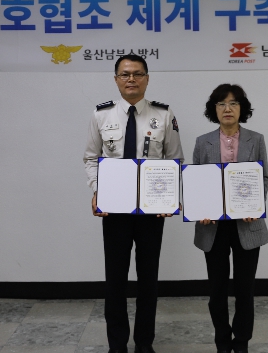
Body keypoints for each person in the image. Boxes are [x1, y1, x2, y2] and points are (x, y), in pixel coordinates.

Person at [83, 54, 184, 353]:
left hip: (152, 211)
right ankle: (117, 345)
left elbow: (175, 159)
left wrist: (169, 197)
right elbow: (91, 158)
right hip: (114, 209)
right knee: (115, 280)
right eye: (125, 74)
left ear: (147, 79)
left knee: (148, 280)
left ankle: (144, 343)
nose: (131, 79)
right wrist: (98, 190)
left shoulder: (163, 114)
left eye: (138, 74)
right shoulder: (101, 115)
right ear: (116, 79)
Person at [192, 84, 268, 353]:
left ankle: (242, 341)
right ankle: (222, 341)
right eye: (222, 104)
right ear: (214, 109)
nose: (228, 109)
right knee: (217, 290)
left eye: (234, 103)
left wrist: (255, 205)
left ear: (242, 108)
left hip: (247, 225)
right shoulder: (202, 141)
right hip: (213, 227)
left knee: (245, 290)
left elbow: (264, 178)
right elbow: (196, 182)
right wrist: (200, 209)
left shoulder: (256, 139)